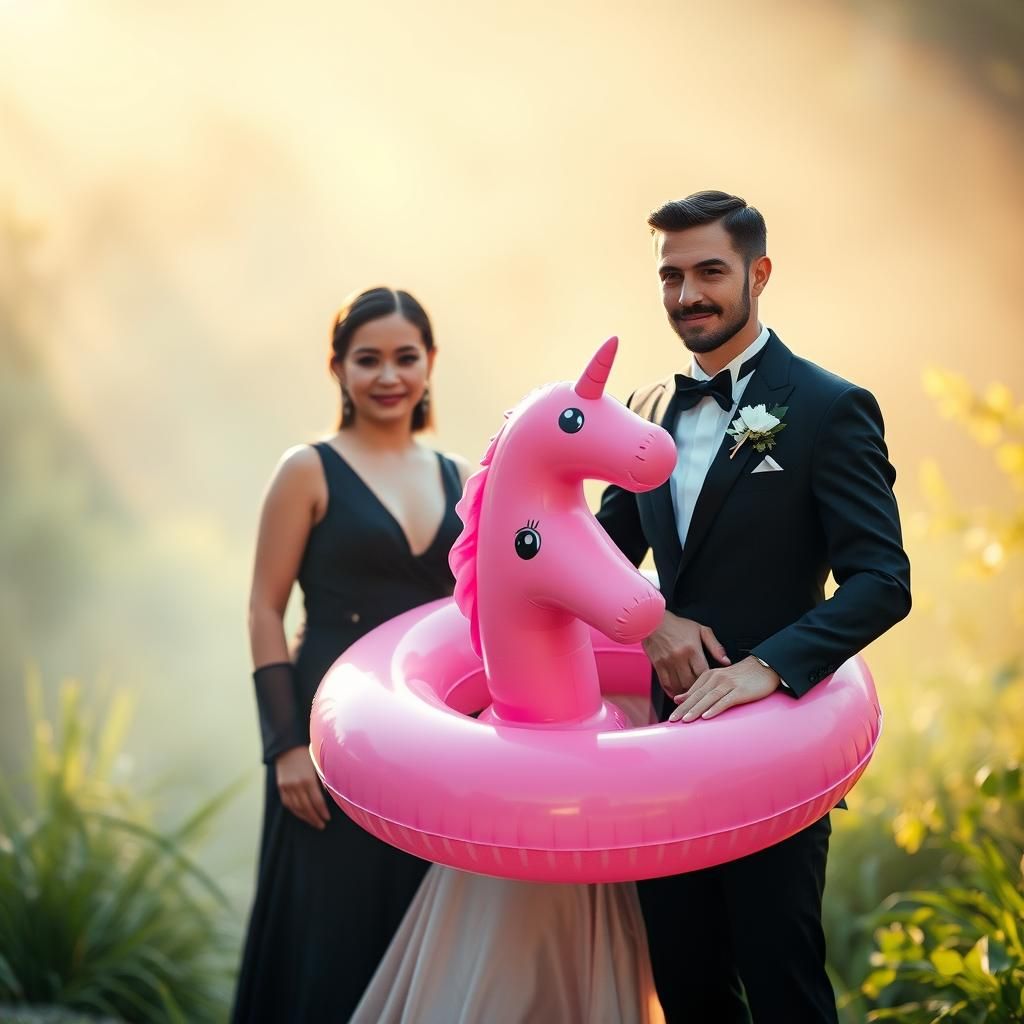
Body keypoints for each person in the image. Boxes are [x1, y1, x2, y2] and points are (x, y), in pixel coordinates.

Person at [596, 191, 912, 1023]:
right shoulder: (643, 414)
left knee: (782, 981)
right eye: (671, 276)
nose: (687, 295)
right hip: (665, 755)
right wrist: (651, 621)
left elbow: (883, 580)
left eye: (708, 272)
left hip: (776, 750)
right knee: (686, 984)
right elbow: (598, 560)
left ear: (757, 272)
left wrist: (767, 667)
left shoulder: (829, 406)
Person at [232, 287, 472, 1023]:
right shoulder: (306, 469)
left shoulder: (461, 477)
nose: (389, 376)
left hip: (425, 739)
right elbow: (263, 608)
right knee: (328, 931)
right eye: (368, 360)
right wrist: (285, 747)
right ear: (338, 368)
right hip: (327, 733)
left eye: (405, 358)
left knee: (414, 925)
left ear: (430, 364)